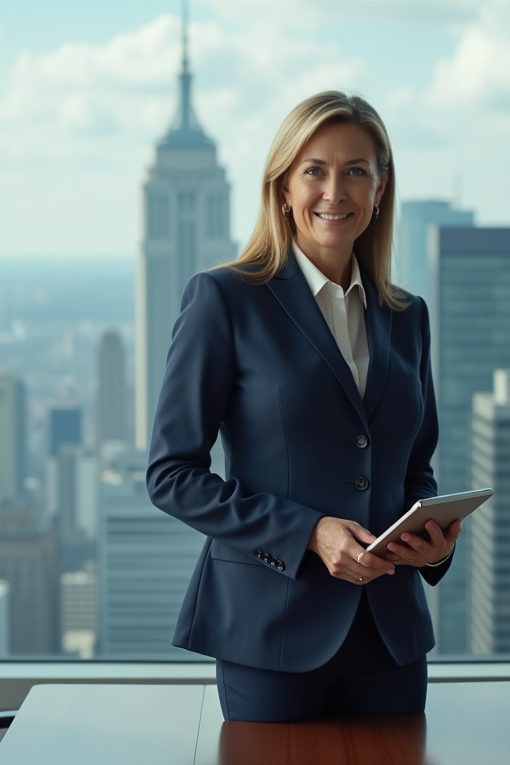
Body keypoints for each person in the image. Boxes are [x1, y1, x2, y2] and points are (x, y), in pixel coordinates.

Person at [147, 90, 461, 723]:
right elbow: (171, 476)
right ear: (283, 187)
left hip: (391, 636)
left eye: (356, 171)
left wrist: (433, 544)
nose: (334, 192)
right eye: (315, 170)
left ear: (380, 189)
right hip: (271, 630)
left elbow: (414, 468)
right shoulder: (225, 300)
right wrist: (309, 533)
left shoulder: (408, 317)